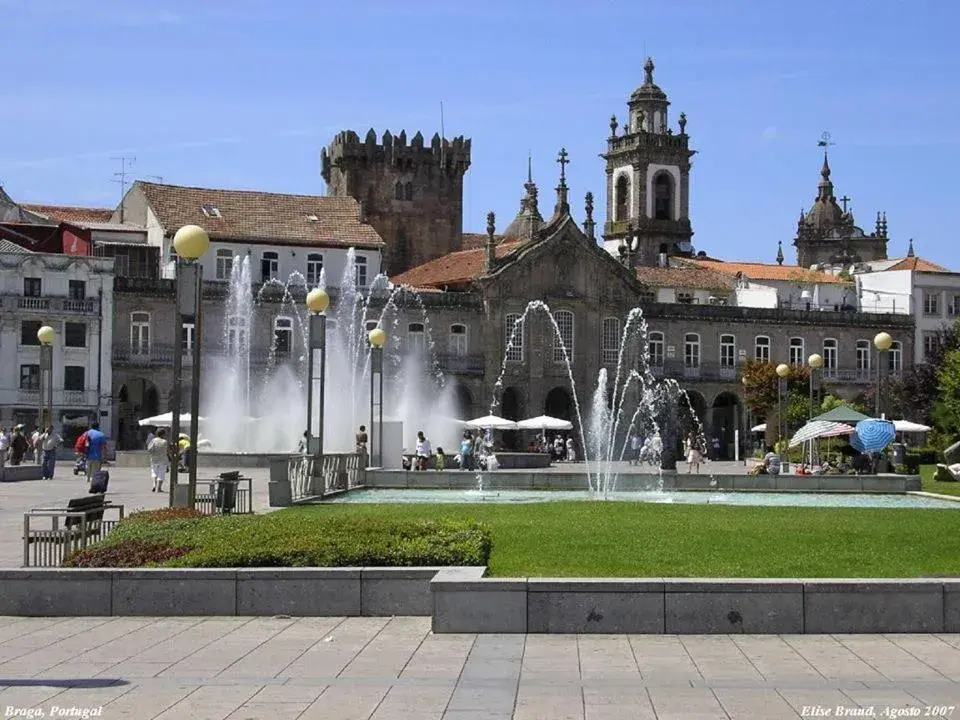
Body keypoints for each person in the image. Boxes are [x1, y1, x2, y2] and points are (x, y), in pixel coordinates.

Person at [84, 422, 107, 488]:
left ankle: (88, 480)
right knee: (95, 473)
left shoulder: (86, 433)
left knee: (88, 469)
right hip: (97, 456)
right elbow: (103, 447)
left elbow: (84, 444)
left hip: (88, 455)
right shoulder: (101, 435)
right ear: (98, 427)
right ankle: (92, 484)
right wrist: (104, 457)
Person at [146, 428, 169, 493]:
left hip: (154, 459)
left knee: (154, 472)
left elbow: (149, 449)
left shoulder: (153, 440)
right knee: (161, 474)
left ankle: (154, 485)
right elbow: (167, 451)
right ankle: (158, 488)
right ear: (163, 434)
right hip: (162, 460)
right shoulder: (164, 441)